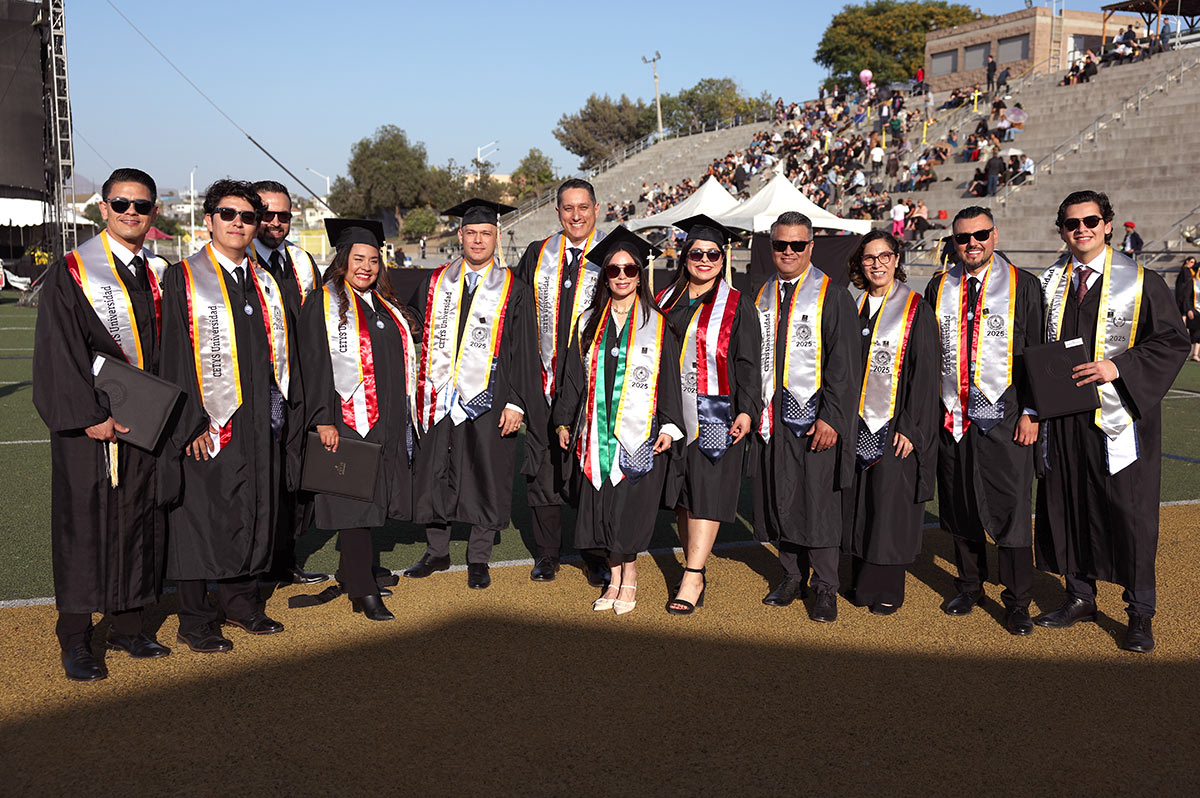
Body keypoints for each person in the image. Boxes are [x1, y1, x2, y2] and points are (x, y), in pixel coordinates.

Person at [33, 168, 174, 681]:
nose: (131, 213)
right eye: (121, 204)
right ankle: (75, 638)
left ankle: (127, 626)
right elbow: (58, 350)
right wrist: (90, 415)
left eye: (141, 205)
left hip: (144, 421)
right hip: (90, 427)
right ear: (103, 208)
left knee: (138, 519)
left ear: (154, 212)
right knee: (84, 524)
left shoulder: (159, 273)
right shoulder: (73, 272)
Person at [1034, 191, 1189, 653]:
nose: (1081, 229)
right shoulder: (1049, 284)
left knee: (1129, 513)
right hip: (1064, 419)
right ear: (1062, 230)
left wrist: (1117, 367)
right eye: (1071, 223)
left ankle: (1140, 612)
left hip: (1120, 419)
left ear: (1107, 225)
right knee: (1070, 504)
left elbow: (1172, 342)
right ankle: (1080, 596)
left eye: (1090, 220)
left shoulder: (1142, 283)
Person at [160, 179, 298, 652]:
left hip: (258, 420)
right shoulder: (183, 277)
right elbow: (174, 356)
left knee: (251, 506)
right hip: (208, 422)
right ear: (209, 220)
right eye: (228, 214)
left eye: (247, 216)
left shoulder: (264, 283)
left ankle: (241, 603)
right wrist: (189, 423)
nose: (238, 223)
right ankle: (195, 619)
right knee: (200, 517)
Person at [404, 198, 537, 590]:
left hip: (489, 397)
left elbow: (523, 350)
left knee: (486, 472)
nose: (478, 240)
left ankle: (479, 557)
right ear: (460, 235)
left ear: (497, 237)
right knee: (435, 471)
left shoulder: (514, 289)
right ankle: (436, 551)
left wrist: (516, 402)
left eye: (486, 234)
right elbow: (413, 325)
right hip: (439, 395)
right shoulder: (435, 283)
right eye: (472, 233)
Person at [552, 227, 684, 615]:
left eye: (629, 269)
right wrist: (563, 421)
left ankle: (630, 579)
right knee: (602, 507)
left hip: (638, 436)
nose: (622, 276)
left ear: (640, 275)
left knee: (628, 509)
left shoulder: (657, 324)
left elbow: (669, 380)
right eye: (614, 270)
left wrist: (669, 425)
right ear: (605, 277)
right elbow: (573, 379)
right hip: (595, 435)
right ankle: (613, 578)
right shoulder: (587, 322)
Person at [926, 206, 1043, 635]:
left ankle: (1017, 599)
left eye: (980, 235)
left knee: (1011, 509)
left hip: (1007, 417)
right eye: (962, 237)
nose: (971, 243)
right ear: (953, 243)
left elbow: (1037, 352)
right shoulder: (940, 285)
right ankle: (970, 584)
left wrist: (1032, 411)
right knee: (960, 503)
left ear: (995, 235)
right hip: (953, 417)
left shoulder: (1023, 285)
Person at [297, 219, 418, 621]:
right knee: (353, 504)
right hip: (345, 419)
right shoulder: (322, 302)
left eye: (373, 260)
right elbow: (313, 365)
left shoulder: (384, 305)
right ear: (342, 261)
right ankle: (364, 592)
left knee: (372, 498)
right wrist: (322, 419)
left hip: (384, 419)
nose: (366, 267)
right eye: (358, 259)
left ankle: (353, 572)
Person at [753, 212, 861, 623]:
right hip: (775, 416)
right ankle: (792, 576)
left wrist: (832, 417)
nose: (789, 252)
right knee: (783, 494)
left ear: (811, 247)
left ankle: (826, 586)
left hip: (816, 417)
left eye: (797, 245)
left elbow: (844, 365)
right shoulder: (762, 294)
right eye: (781, 244)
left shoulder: (833, 295)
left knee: (819, 502)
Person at [655, 215, 761, 615]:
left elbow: (749, 363)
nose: (704, 260)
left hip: (717, 412)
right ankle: (693, 565)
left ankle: (693, 574)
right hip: (671, 413)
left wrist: (747, 410)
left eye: (713, 254)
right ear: (684, 257)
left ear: (723, 258)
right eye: (696, 253)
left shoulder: (738, 304)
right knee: (684, 496)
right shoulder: (664, 300)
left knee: (707, 491)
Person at [515, 179, 608, 585]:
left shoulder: (612, 254)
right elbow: (518, 315)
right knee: (543, 468)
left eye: (583, 207)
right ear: (557, 212)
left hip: (592, 383)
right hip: (543, 379)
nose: (576, 215)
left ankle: (594, 553)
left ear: (596, 209)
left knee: (590, 466)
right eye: (568, 208)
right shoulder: (538, 254)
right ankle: (548, 553)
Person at [842, 231, 938, 615]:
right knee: (860, 503)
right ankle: (861, 581)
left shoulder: (916, 310)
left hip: (895, 423)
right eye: (869, 258)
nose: (877, 264)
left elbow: (925, 374)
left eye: (884, 256)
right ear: (860, 264)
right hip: (855, 424)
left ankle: (887, 587)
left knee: (889, 506)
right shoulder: (853, 307)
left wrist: (911, 427)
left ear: (897, 259)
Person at [249, 179, 330, 587]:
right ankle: (253, 566)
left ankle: (285, 558)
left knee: (295, 475)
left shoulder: (302, 262)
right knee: (258, 476)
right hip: (253, 388)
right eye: (267, 214)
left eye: (283, 215)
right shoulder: (239, 261)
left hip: (299, 385)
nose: (275, 222)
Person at [1173, 255, 1200, 361]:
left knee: (1194, 332)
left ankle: (1194, 354)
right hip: (1185, 305)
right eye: (1191, 262)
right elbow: (1184, 292)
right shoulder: (1186, 272)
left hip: (1187, 305)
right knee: (1184, 330)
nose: (1192, 265)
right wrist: (1187, 308)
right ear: (1187, 261)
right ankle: (1184, 353)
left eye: (1194, 263)